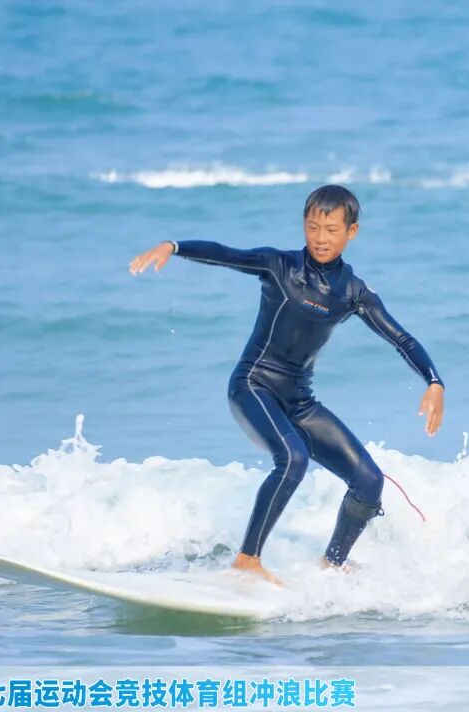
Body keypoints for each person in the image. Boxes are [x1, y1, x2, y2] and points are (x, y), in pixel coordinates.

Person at [129, 185, 445, 584]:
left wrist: (434, 382)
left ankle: (333, 563)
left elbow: (402, 339)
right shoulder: (279, 266)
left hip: (300, 402)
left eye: (331, 229)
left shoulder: (353, 292)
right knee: (292, 459)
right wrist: (173, 247)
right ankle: (247, 560)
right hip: (253, 386)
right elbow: (225, 254)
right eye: (312, 227)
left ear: (352, 232)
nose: (320, 237)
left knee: (369, 481)